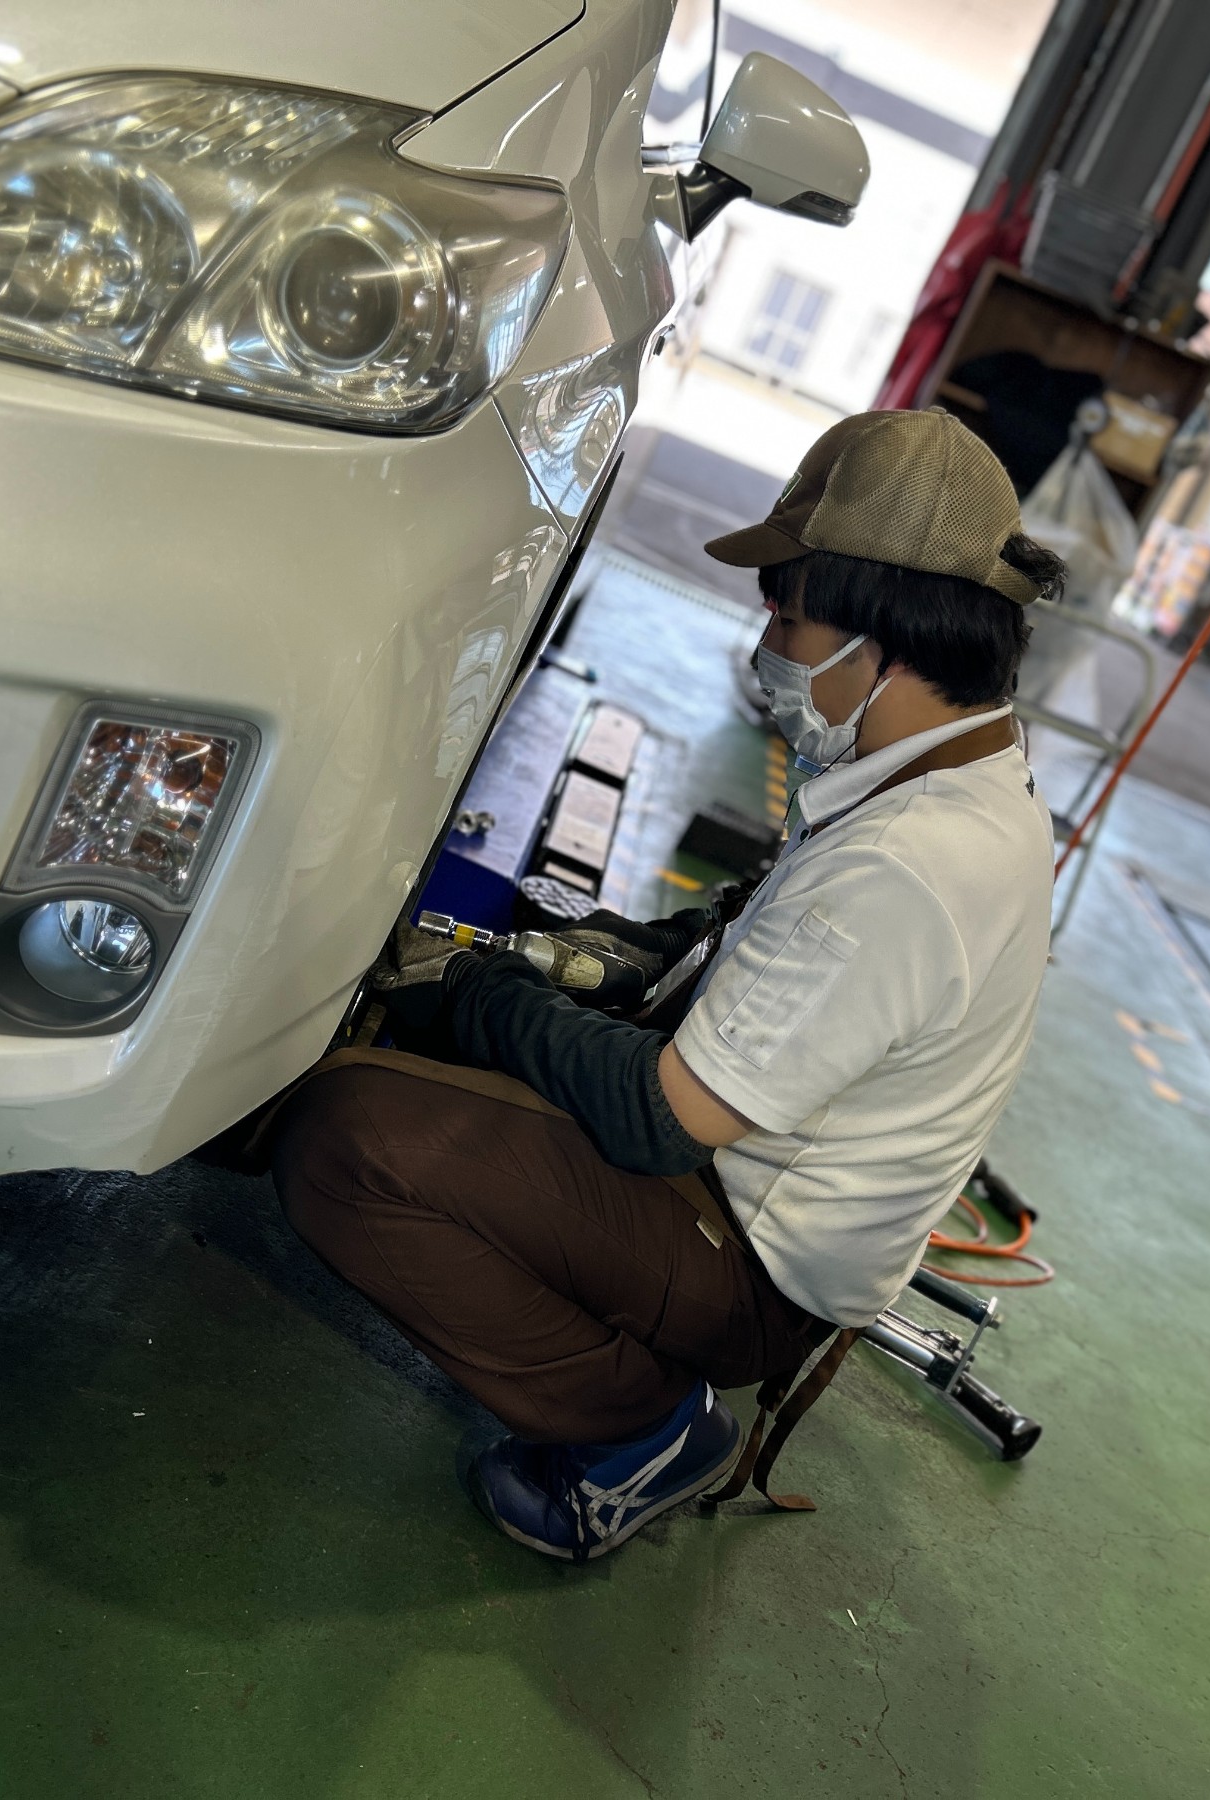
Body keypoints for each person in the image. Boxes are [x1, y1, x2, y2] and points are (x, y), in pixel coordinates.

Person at [272, 408, 1062, 1561]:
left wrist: (482, 992)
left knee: (350, 1138)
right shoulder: (955, 766)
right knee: (473, 1012)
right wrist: (563, 961)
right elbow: (758, 950)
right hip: (750, 1183)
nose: (769, 646)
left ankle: (640, 1431)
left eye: (788, 617)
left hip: (751, 1264)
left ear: (881, 635)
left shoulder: (911, 863)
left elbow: (660, 1117)